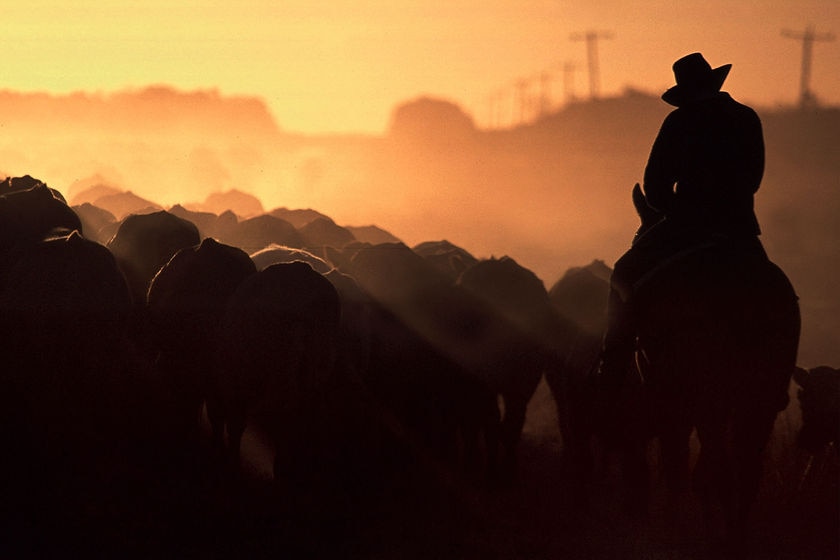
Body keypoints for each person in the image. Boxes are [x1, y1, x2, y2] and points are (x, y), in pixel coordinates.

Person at [598, 52, 767, 388]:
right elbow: (754, 179)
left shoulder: (679, 121)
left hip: (686, 226)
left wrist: (677, 212)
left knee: (624, 272)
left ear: (685, 90)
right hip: (739, 228)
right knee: (770, 288)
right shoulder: (746, 117)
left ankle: (613, 366)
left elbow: (655, 186)